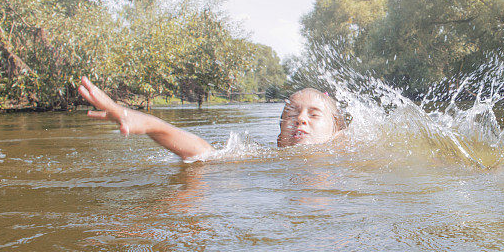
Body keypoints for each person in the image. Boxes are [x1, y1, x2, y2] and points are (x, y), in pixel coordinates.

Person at [77, 76, 346, 160]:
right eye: (291, 114)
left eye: (313, 114)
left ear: (337, 132)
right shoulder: (265, 158)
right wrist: (149, 123)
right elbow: (205, 153)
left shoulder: (348, 160)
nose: (300, 120)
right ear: (279, 139)